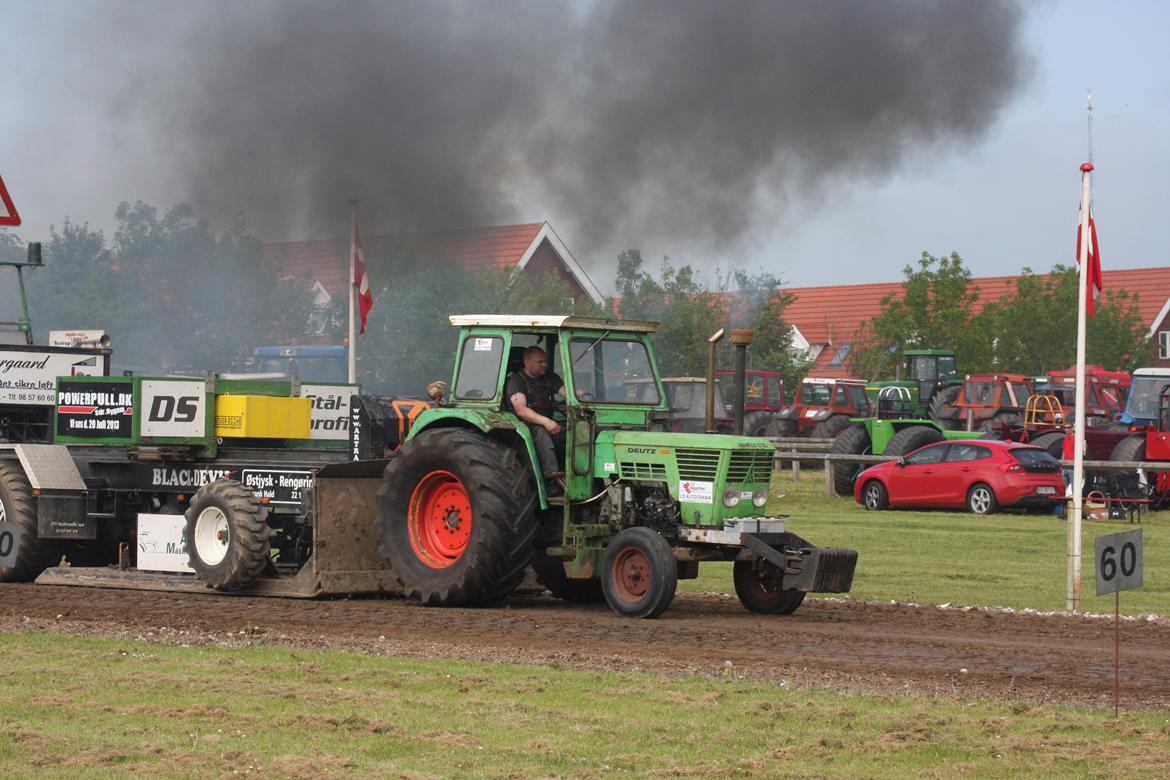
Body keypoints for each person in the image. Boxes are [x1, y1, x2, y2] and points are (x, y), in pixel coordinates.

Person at [504, 346, 567, 494]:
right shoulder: (517, 381)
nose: (545, 365)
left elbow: (566, 392)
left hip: (548, 422)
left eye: (545, 361)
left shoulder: (548, 376)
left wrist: (581, 394)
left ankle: (573, 474)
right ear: (527, 362)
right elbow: (521, 410)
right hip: (525, 426)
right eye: (540, 362)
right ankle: (551, 479)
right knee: (541, 433)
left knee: (572, 434)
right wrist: (546, 421)